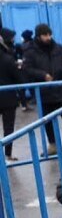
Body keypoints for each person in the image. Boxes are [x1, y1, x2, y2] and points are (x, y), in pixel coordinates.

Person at [21, 23, 62, 156]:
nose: (48, 37)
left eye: (50, 34)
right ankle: (53, 145)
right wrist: (43, 75)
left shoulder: (59, 49)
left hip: (61, 91)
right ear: (38, 36)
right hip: (44, 93)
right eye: (45, 35)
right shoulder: (30, 52)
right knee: (47, 121)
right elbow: (27, 69)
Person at [0, 28, 21, 161]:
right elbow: (18, 78)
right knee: (8, 128)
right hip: (8, 98)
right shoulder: (8, 59)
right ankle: (8, 154)